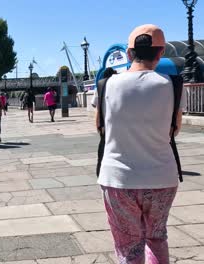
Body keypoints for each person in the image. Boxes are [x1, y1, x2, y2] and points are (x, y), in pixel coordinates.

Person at [95, 24, 187, 264]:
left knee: (128, 245)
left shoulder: (107, 85)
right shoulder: (174, 85)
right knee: (156, 238)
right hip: (162, 177)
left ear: (129, 53)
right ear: (161, 53)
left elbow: (100, 128)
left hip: (119, 178)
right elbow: (175, 129)